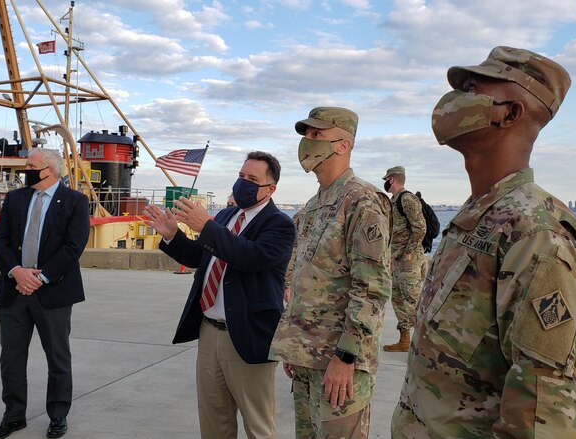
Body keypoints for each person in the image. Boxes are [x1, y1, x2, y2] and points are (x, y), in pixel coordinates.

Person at [391, 47, 576, 438]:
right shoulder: (480, 217)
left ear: (510, 113)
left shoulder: (536, 235)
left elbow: (542, 417)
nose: (454, 99)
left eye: (472, 88)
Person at [143, 151, 295, 439]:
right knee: (214, 422)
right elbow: (200, 258)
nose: (243, 183)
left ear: (270, 189)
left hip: (248, 335)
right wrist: (172, 236)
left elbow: (250, 258)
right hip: (209, 331)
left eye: (252, 179)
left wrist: (207, 227)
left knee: (258, 425)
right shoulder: (226, 215)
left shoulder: (279, 224)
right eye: (241, 176)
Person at [270, 107, 392, 438]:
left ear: (343, 145)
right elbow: (304, 278)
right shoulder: (313, 206)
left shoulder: (362, 201)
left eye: (316, 135)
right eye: (306, 135)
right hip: (308, 357)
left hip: (341, 362)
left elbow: (372, 288)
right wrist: (294, 346)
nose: (307, 142)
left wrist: (346, 355)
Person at [0, 147, 90, 439]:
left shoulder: (75, 201)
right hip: (14, 288)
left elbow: (73, 247)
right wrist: (17, 272)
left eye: (30, 165)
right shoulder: (15, 198)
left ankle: (58, 415)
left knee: (58, 357)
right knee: (11, 357)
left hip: (53, 292)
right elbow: (1, 240)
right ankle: (13, 416)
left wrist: (40, 277)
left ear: (50, 169)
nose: (25, 169)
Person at [381, 166, 426, 352]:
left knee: (412, 300)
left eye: (386, 179)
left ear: (392, 179)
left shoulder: (407, 199)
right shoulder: (394, 200)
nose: (384, 183)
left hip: (409, 260)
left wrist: (408, 250)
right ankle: (405, 340)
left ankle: (423, 344)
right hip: (398, 259)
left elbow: (420, 228)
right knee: (398, 299)